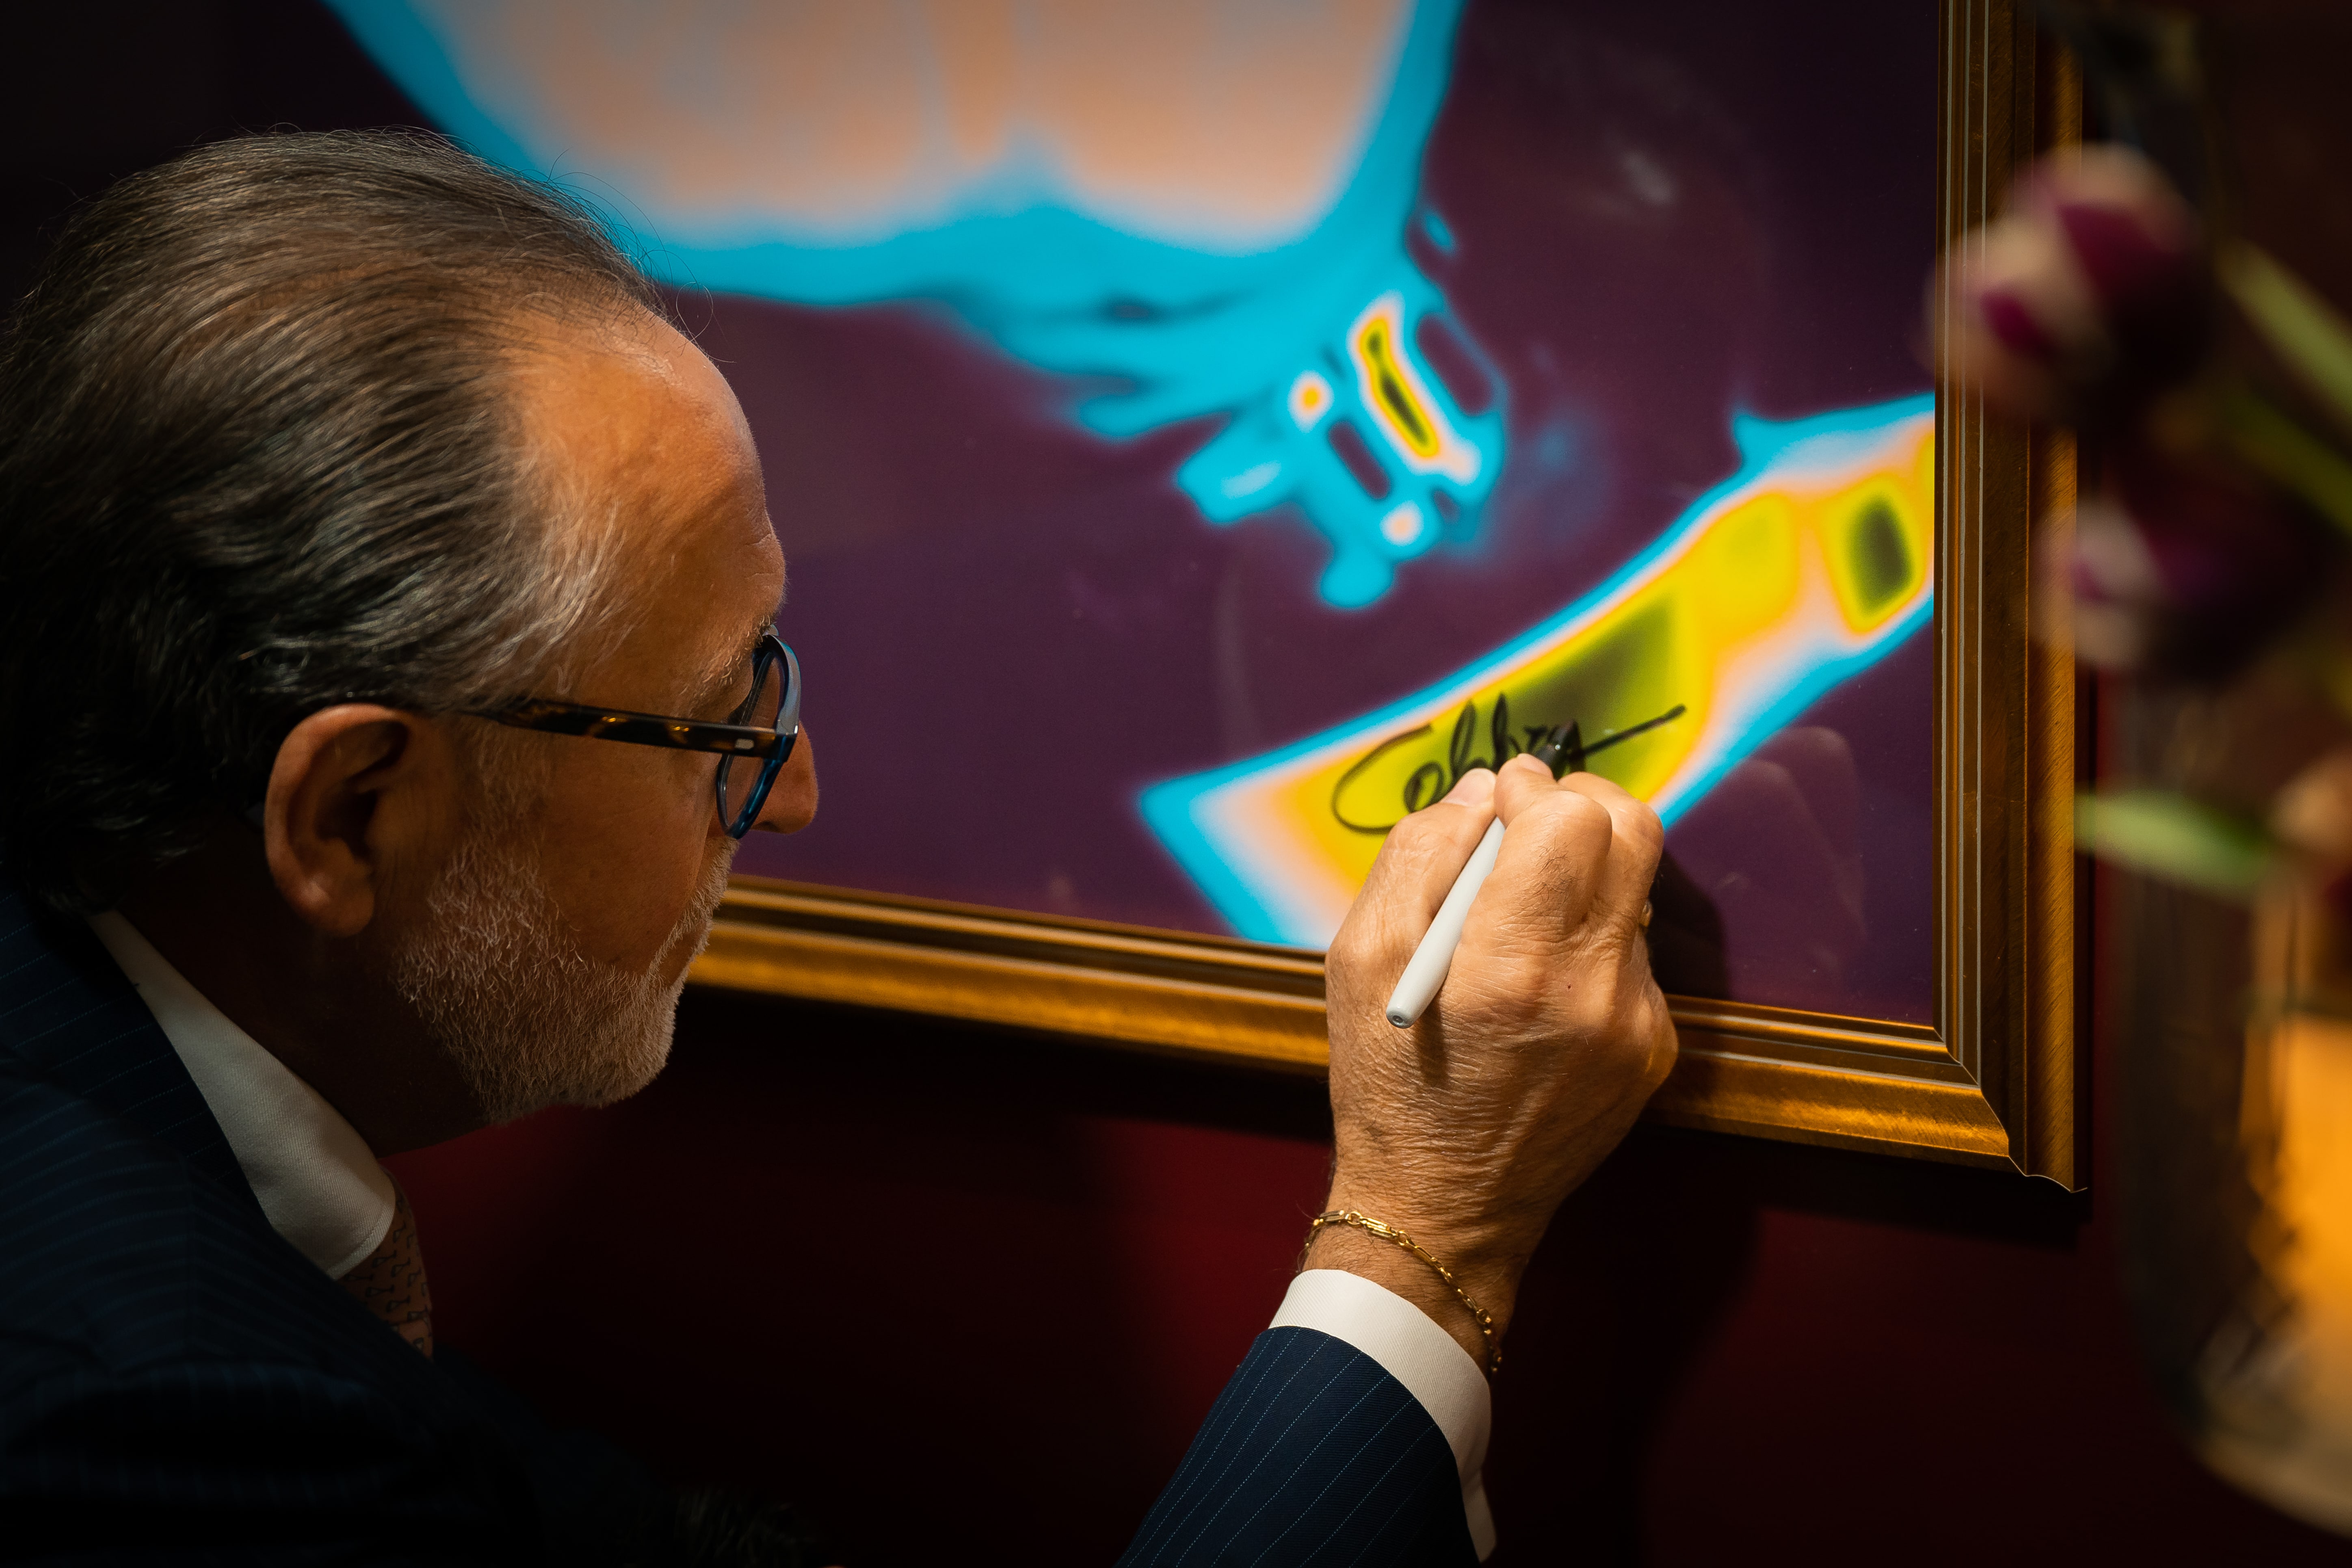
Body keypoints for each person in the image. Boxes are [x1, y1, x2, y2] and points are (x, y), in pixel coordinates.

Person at [0, 131, 1676, 1566]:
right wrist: (1424, 1232)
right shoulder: (148, 1425)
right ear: (352, 814)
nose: (790, 790)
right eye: (720, 712)